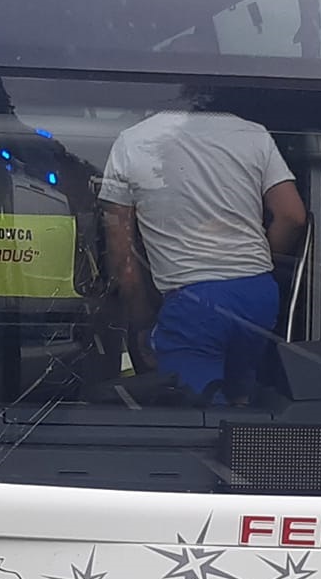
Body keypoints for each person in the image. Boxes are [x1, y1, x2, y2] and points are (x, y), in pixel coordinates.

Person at [99, 102, 307, 404]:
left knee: (198, 417)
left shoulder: (132, 141)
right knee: (243, 401)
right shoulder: (252, 133)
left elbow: (122, 257)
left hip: (194, 304)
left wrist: (142, 318)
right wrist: (257, 263)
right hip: (258, 296)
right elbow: (293, 216)